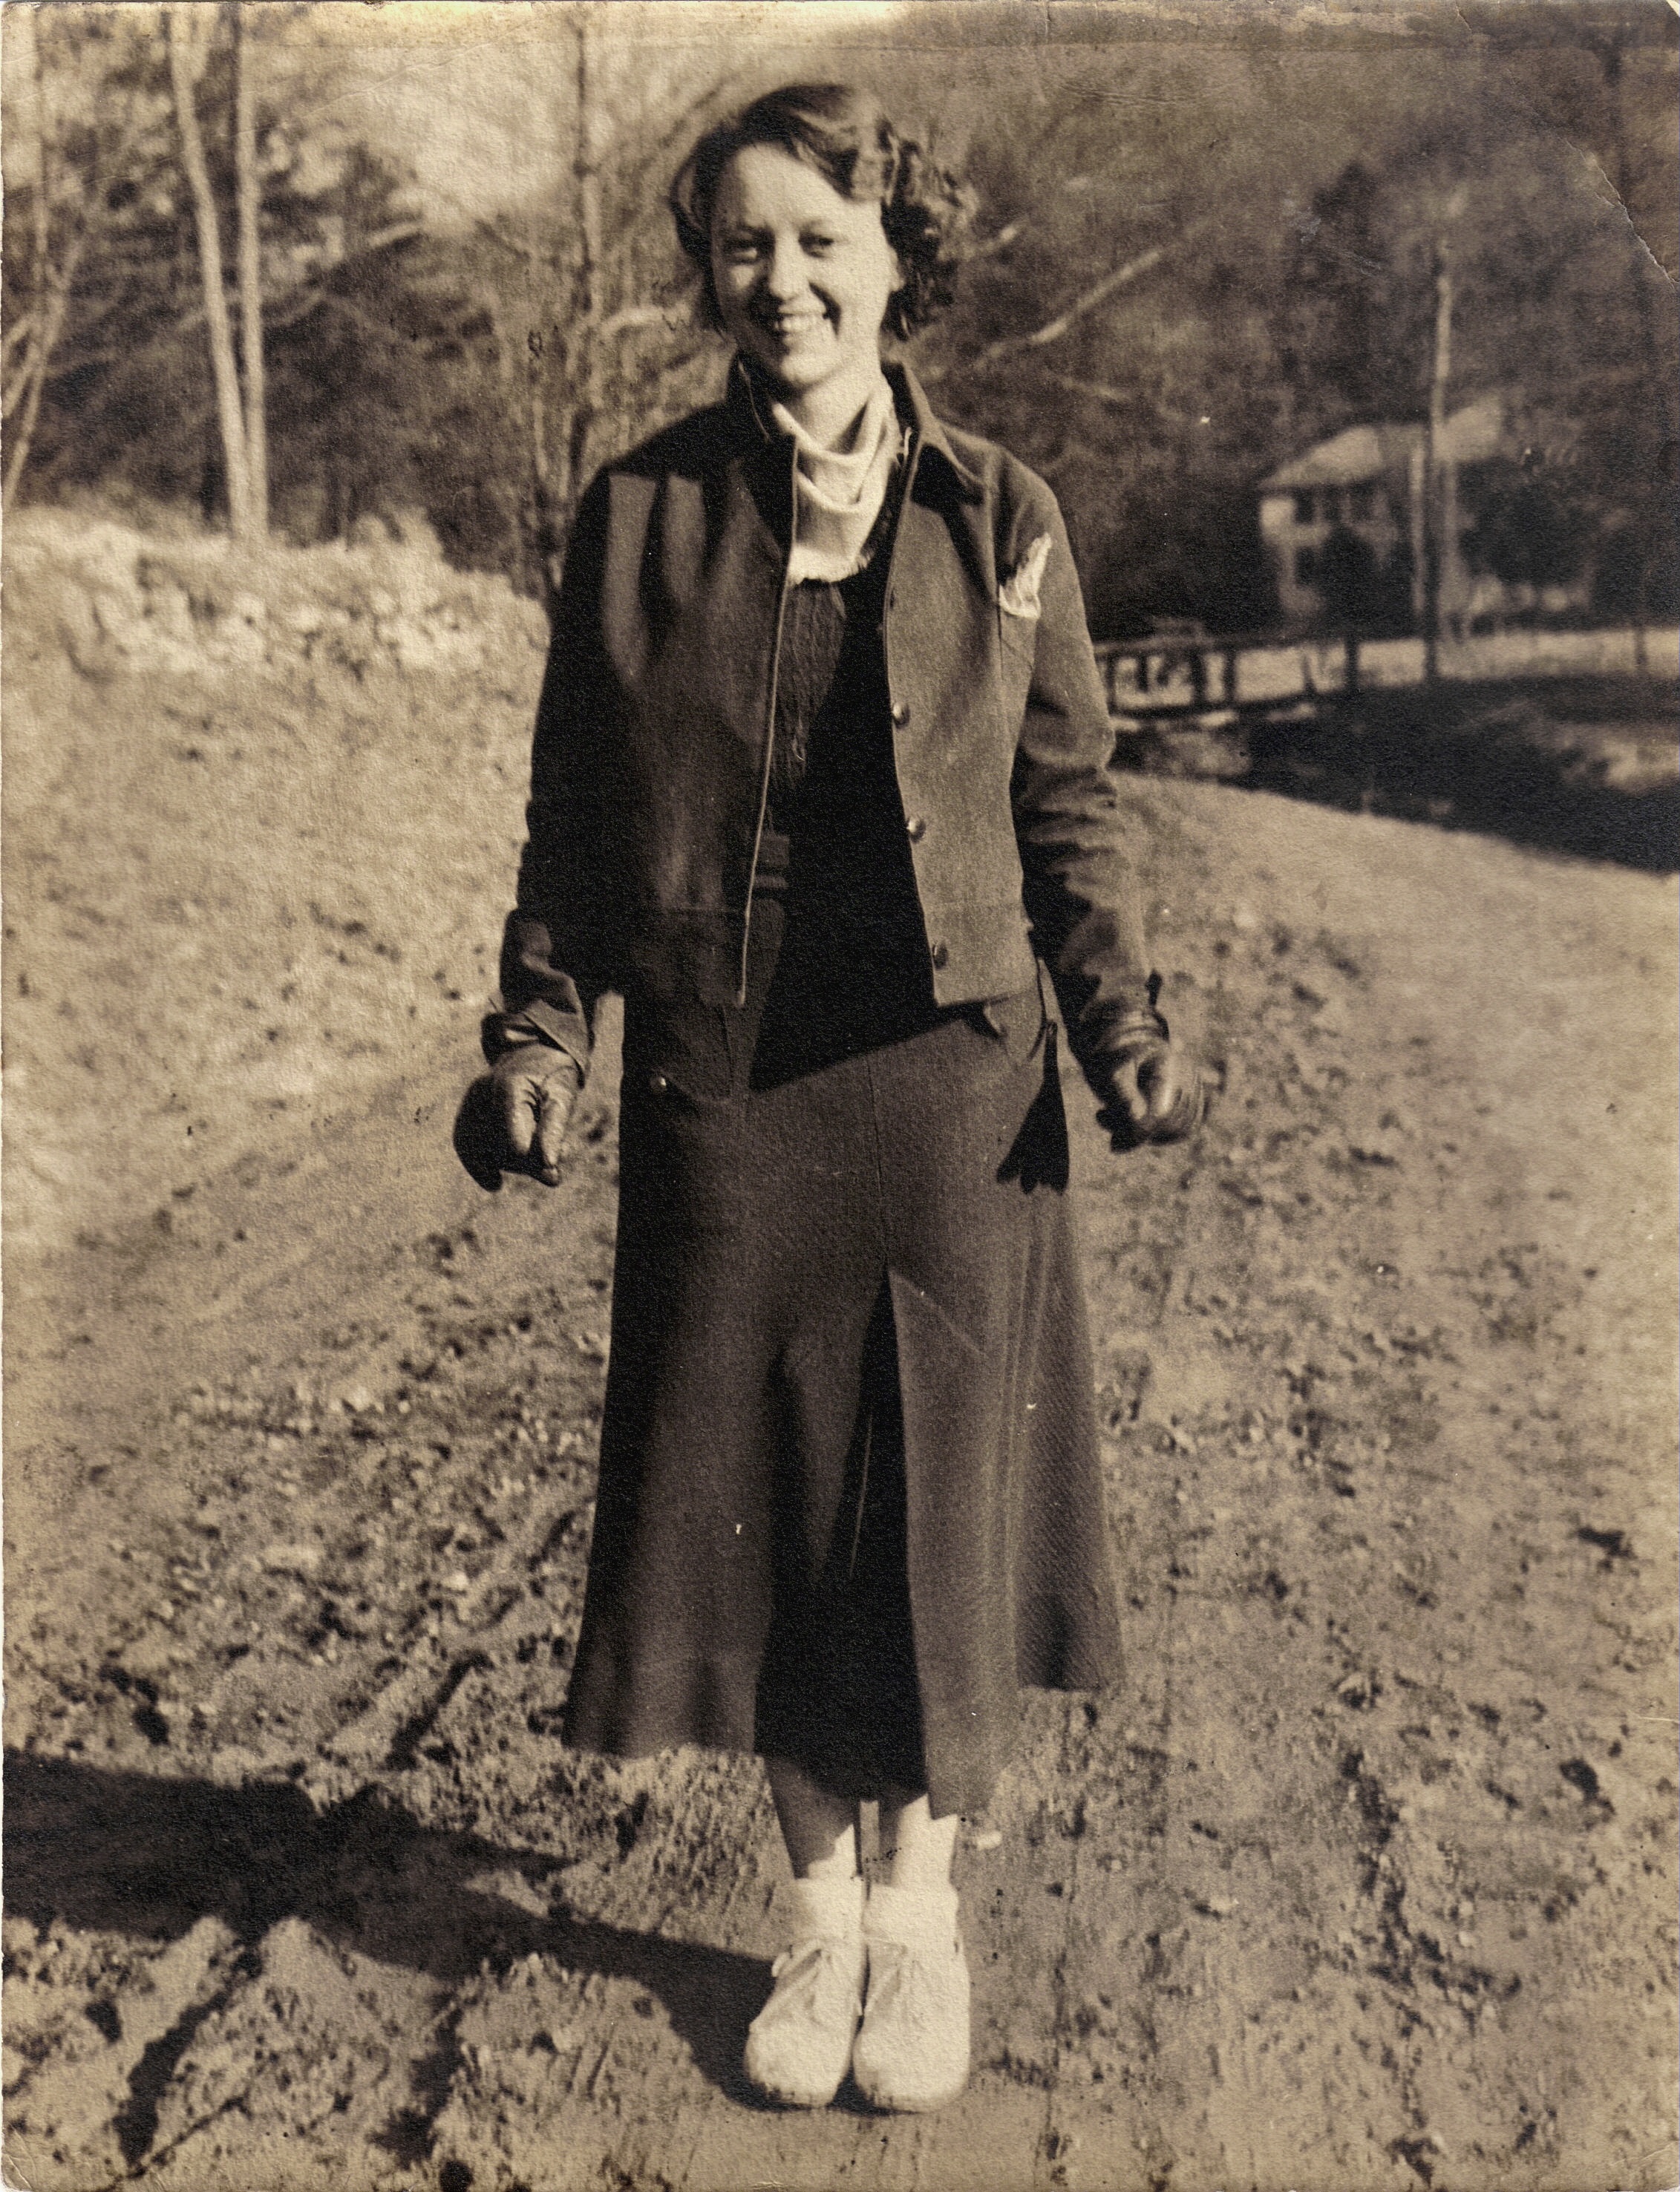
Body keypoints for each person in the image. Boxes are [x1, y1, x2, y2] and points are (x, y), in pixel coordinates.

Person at [454, 82, 1201, 2116]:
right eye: (741, 246)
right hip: (728, 1077)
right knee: (765, 1503)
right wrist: (540, 1037)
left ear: (895, 258)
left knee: (936, 1499)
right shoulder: (636, 515)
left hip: (954, 1079)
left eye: (817, 240)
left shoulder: (1004, 515)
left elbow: (1066, 804)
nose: (776, 281)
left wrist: (1121, 1023)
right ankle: (817, 1921)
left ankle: (922, 1919)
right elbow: (575, 818)